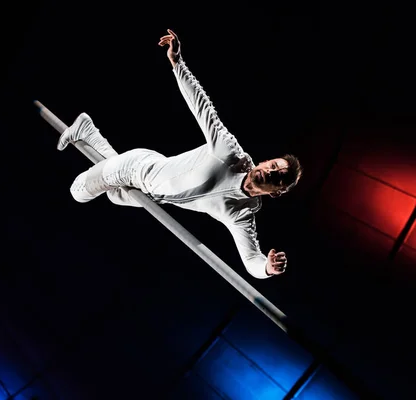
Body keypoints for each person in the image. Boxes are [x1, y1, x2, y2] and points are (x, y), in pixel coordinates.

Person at [57, 29, 303, 279]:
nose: (270, 171)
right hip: (138, 168)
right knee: (78, 193)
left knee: (113, 196)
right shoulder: (229, 152)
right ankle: (87, 134)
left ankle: (86, 129)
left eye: (278, 176)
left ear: (277, 191)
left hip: (151, 197)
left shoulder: (241, 214)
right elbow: (202, 106)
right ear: (264, 161)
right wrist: (178, 63)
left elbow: (252, 259)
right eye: (273, 164)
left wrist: (267, 268)